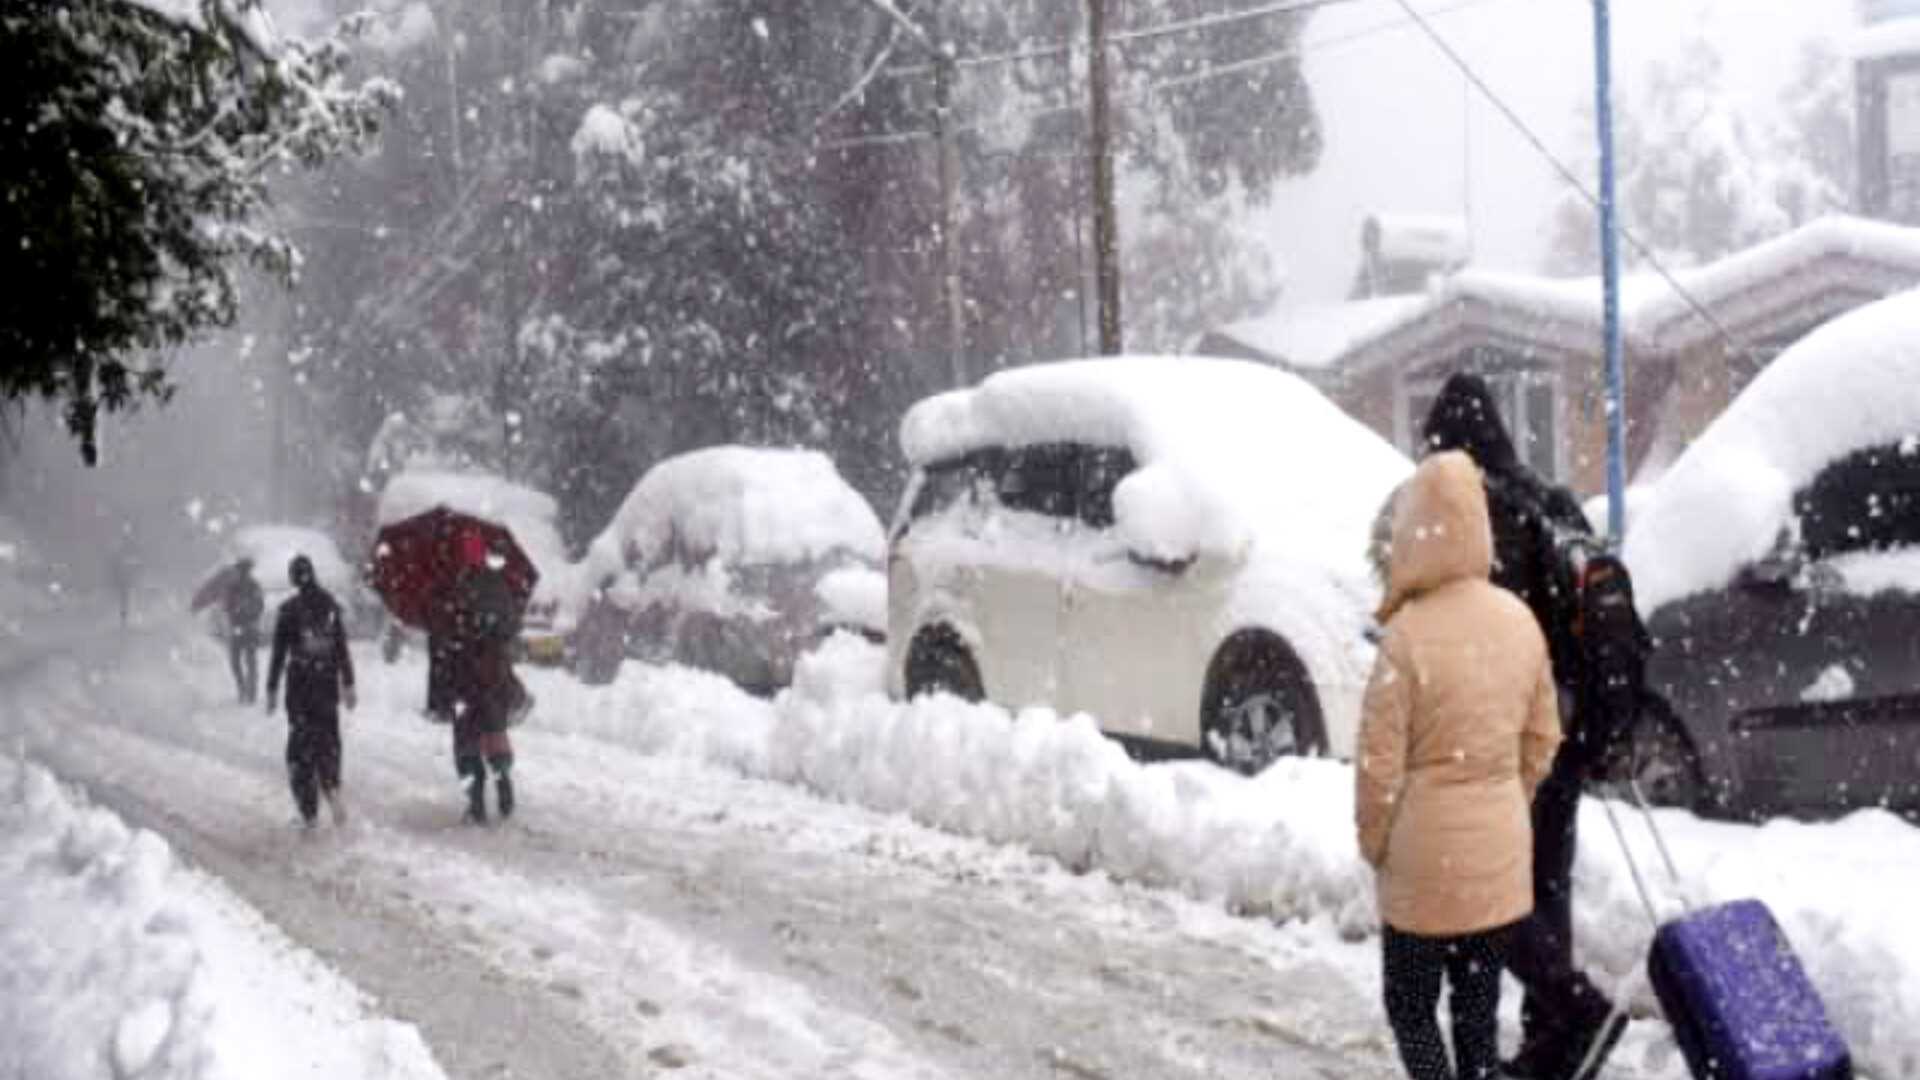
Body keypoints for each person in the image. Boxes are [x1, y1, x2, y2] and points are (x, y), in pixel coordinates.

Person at [1420, 373, 1623, 1079]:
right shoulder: (1550, 499)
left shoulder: (1477, 510)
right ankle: (1554, 1047)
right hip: (1566, 721)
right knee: (1544, 885)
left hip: (1508, 730)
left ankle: (1573, 1009)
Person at [1356, 450, 1563, 1080]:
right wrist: (1505, 798)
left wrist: (1375, 843)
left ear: (1413, 533)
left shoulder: (1406, 636)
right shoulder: (1520, 621)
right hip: (1495, 861)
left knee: (1411, 1007)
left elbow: (1378, 767)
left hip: (1420, 865)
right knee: (1477, 1018)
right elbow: (1543, 738)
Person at [431, 531, 526, 823]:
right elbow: (511, 629)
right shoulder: (499, 587)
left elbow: (444, 638)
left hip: (464, 681)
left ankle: (476, 803)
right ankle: (503, 779)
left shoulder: (456, 590)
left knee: (466, 744)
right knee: (495, 731)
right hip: (493, 677)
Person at [265, 555, 356, 828]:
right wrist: (348, 683)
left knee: (300, 750)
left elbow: (279, 653)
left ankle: (309, 812)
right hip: (326, 686)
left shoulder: (289, 610)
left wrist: (271, 687)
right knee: (329, 741)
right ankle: (332, 785)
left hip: (300, 688)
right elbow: (341, 648)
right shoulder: (330, 605)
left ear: (293, 578)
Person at [222, 557, 266, 703]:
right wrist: (235, 610)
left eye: (245, 570)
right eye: (241, 570)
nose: (243, 573)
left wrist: (249, 610)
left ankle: (250, 692)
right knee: (236, 662)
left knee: (249, 660)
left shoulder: (254, 586)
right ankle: (243, 688)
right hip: (238, 626)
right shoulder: (232, 587)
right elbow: (226, 606)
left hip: (249, 626)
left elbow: (260, 605)